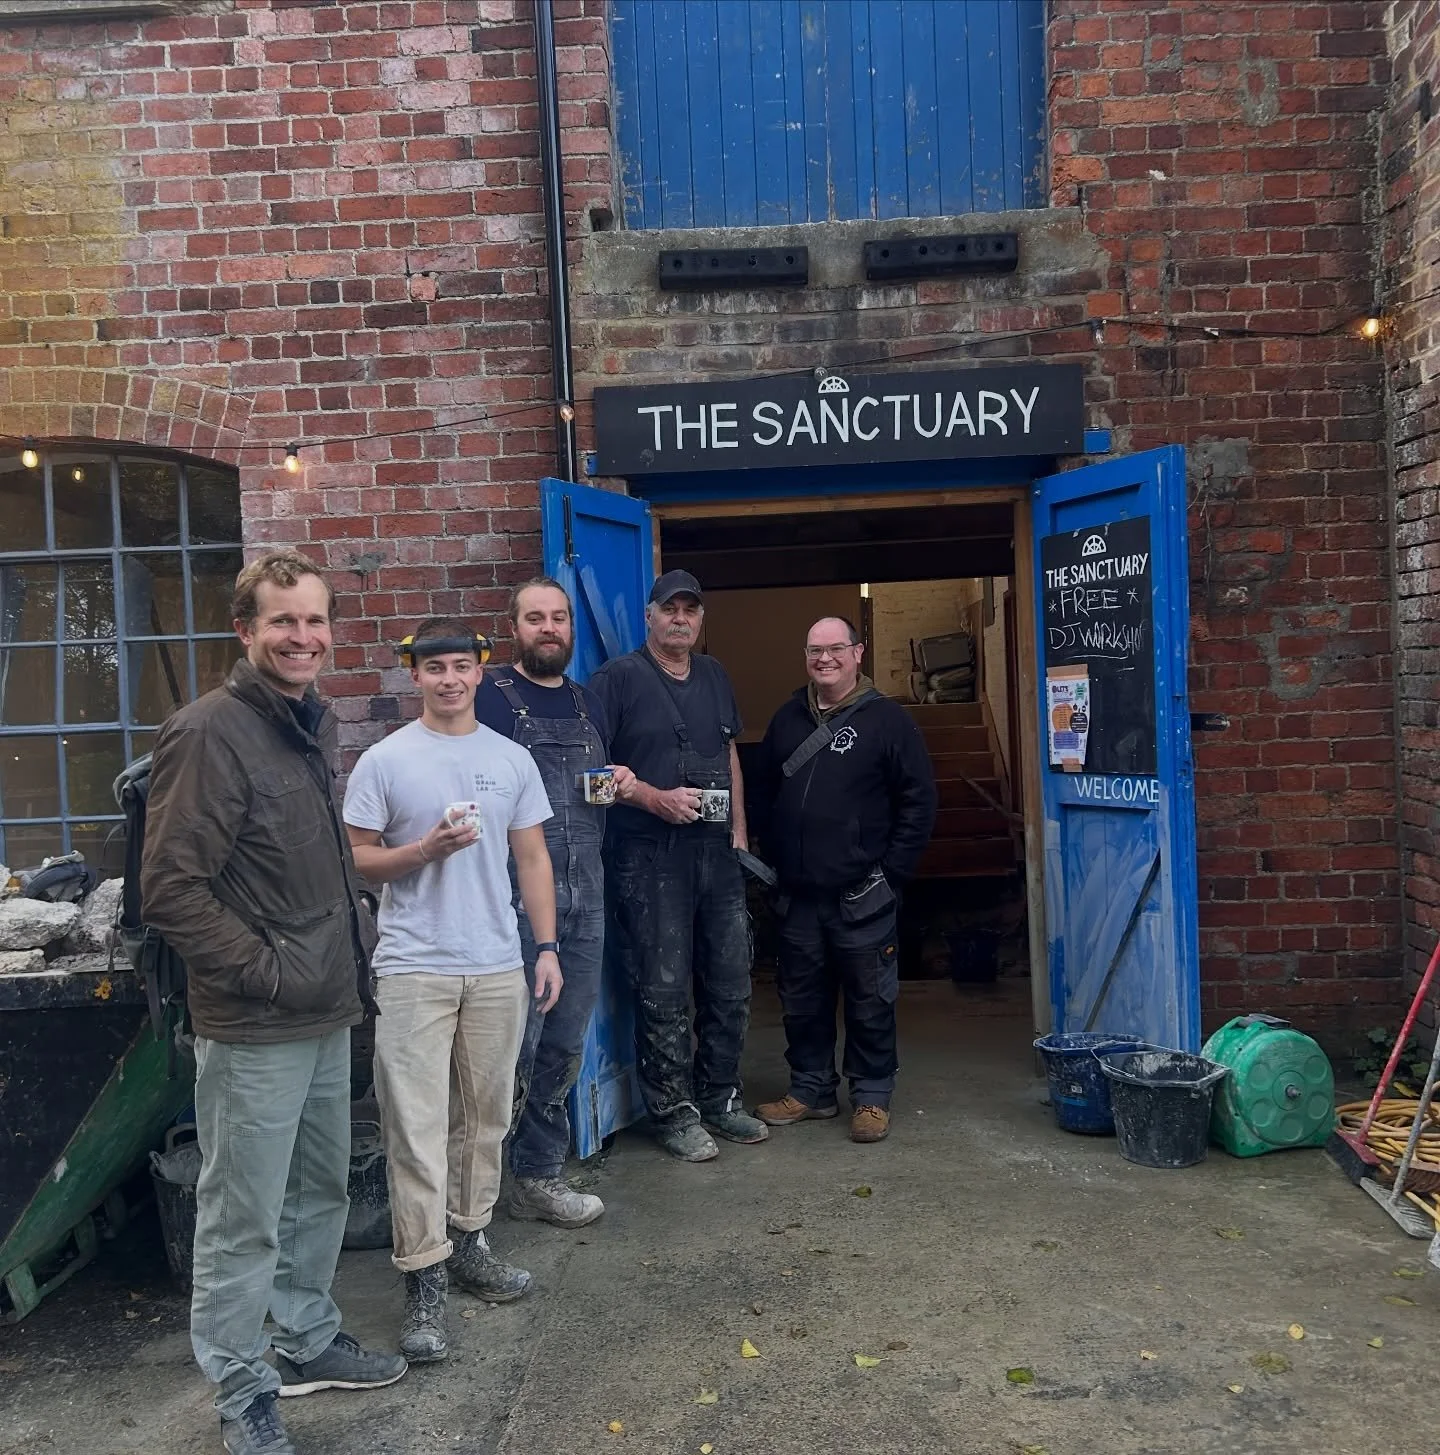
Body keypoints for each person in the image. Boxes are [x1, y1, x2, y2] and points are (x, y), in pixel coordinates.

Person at [141, 550, 406, 1455]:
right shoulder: (209, 730)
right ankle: (242, 1384)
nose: (303, 637)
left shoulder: (305, 723)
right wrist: (266, 970)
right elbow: (173, 890)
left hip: (323, 1008)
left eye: (315, 620)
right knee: (241, 1212)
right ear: (245, 631)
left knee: (316, 1191)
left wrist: (325, 974)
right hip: (256, 1020)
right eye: (283, 621)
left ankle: (302, 1338)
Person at [342, 617, 560, 1368]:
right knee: (415, 1123)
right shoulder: (385, 760)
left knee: (486, 1116)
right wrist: (424, 849)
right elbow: (359, 860)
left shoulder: (510, 758)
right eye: (434, 667)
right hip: (412, 968)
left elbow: (531, 857)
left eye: (461, 666)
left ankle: (470, 1242)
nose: (448, 679)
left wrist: (547, 946)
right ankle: (424, 1276)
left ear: (481, 671)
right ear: (415, 674)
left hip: (497, 962)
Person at [588, 569, 766, 1162]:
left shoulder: (714, 675)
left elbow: (729, 752)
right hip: (648, 856)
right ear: (649, 615)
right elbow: (592, 780)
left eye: (691, 609)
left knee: (732, 982)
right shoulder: (617, 681)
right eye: (670, 609)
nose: (680, 618)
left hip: (716, 853)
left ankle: (721, 1098)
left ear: (700, 618)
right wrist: (653, 798)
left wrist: (739, 831)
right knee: (663, 990)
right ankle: (674, 1111)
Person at [472, 577, 634, 1229]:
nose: (549, 628)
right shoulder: (487, 695)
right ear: (514, 627)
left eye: (559, 617)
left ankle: (538, 1175)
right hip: (513, 898)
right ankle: (476, 1195)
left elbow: (592, 788)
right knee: (508, 1048)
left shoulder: (586, 700)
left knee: (563, 1044)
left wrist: (619, 781)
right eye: (535, 618)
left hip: (585, 893)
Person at [752, 616, 937, 1144]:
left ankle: (872, 1096)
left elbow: (918, 803)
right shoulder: (788, 717)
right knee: (802, 999)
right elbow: (764, 788)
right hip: (799, 896)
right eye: (814, 650)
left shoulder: (889, 722)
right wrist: (772, 852)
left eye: (836, 648)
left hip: (864, 893)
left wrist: (893, 873)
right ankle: (810, 1090)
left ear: (858, 653)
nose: (824, 658)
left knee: (869, 1000)